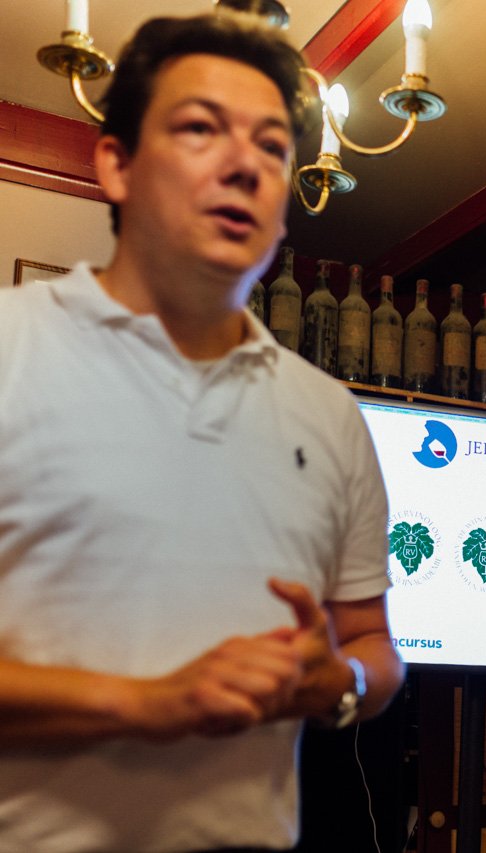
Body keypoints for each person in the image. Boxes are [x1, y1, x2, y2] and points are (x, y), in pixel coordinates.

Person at [0, 13, 403, 853]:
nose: (244, 165)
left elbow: (374, 646)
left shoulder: (330, 413)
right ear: (116, 164)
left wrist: (338, 682)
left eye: (272, 147)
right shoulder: (11, 346)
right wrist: (144, 702)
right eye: (199, 129)